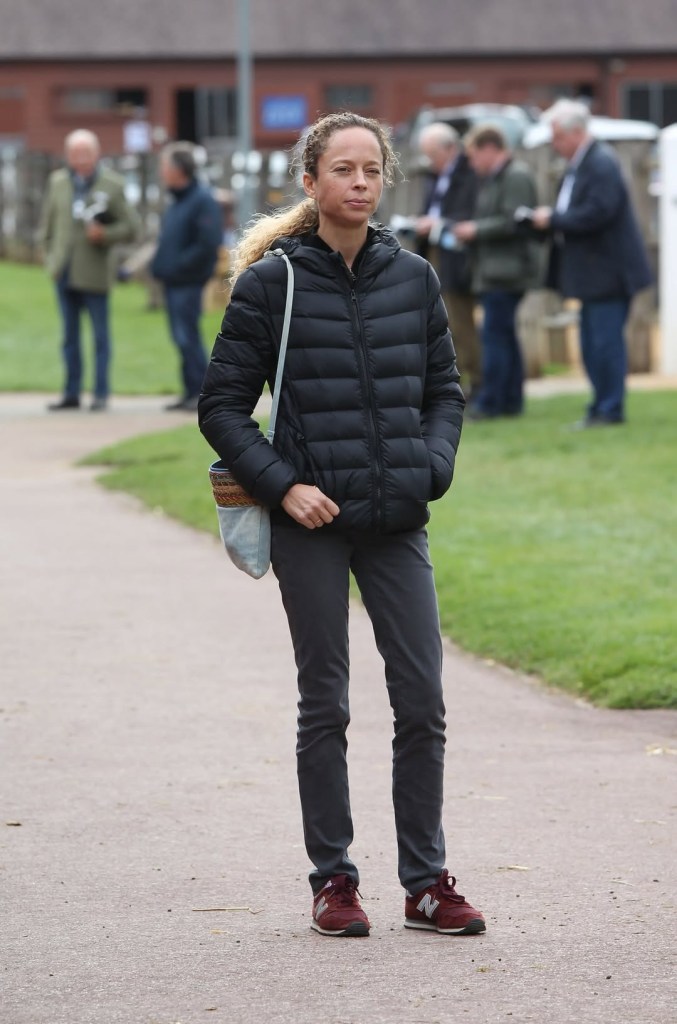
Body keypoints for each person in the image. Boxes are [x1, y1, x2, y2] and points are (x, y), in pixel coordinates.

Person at [199, 112, 485, 939]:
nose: (358, 184)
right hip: (310, 524)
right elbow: (221, 408)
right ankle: (333, 880)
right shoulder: (272, 284)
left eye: (371, 171)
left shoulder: (415, 279)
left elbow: (444, 388)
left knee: (422, 701)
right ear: (310, 182)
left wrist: (433, 464)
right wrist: (285, 488)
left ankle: (426, 882)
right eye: (343, 170)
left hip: (398, 519)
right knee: (325, 702)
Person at [532, 99, 654, 426]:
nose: (554, 144)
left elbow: (598, 213)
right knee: (591, 344)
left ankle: (610, 410)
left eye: (557, 136)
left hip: (610, 273)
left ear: (576, 132)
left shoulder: (600, 163)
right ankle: (600, 406)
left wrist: (553, 219)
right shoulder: (582, 164)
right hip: (594, 274)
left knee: (605, 344)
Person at [40, 129, 139, 411]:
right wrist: (51, 261)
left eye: (86, 154)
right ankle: (71, 392)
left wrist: (104, 234)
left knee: (99, 337)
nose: (81, 160)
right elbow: (47, 227)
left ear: (96, 155)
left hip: (95, 273)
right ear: (68, 156)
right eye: (75, 154)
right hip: (64, 271)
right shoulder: (57, 182)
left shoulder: (113, 184)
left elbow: (132, 228)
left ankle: (100, 393)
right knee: (69, 338)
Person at [454, 124, 540, 420]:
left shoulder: (515, 176)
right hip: (497, 270)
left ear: (490, 148)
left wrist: (475, 229)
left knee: (494, 338)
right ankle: (510, 402)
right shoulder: (496, 177)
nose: (473, 163)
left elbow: (514, 221)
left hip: (508, 271)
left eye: (474, 155)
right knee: (503, 336)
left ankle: (491, 403)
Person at [151, 142, 223, 411]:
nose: (161, 172)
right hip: (173, 282)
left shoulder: (202, 200)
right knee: (179, 336)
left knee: (187, 336)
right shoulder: (177, 200)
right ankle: (189, 390)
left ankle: (201, 395)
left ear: (178, 170)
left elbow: (207, 244)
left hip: (188, 281)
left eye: (164, 166)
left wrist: (178, 266)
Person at [414, 122, 481, 396]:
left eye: (433, 154)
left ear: (450, 148)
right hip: (433, 252)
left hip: (458, 257)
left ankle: (475, 383)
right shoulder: (436, 176)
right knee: (443, 323)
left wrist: (440, 223)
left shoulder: (470, 173)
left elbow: (472, 213)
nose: (430, 161)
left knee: (461, 322)